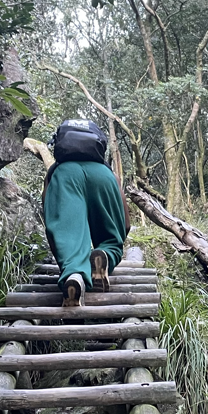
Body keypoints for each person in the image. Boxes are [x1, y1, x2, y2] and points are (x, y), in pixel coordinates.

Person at [42, 119, 130, 307]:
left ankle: (74, 274)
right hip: (103, 178)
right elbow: (126, 224)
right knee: (110, 242)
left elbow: (52, 223)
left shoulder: (55, 171)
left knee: (68, 235)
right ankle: (106, 255)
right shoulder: (110, 173)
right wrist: (115, 244)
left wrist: (65, 263)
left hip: (66, 176)